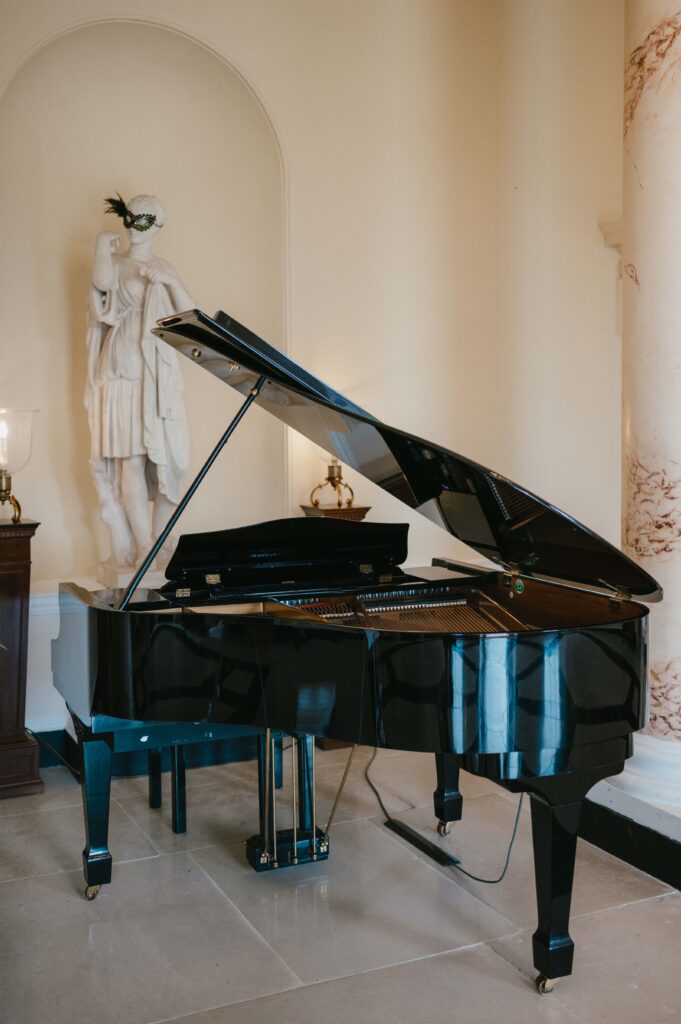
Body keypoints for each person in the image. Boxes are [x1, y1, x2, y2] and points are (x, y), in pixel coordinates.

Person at [85, 193, 191, 568]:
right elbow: (101, 283)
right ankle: (143, 545)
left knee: (172, 462)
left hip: (158, 371)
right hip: (124, 368)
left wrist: (172, 279)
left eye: (145, 220)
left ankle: (160, 542)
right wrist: (101, 246)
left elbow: (191, 315)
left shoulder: (163, 265)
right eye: (131, 218)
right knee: (130, 458)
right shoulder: (115, 263)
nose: (135, 226)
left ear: (158, 226)